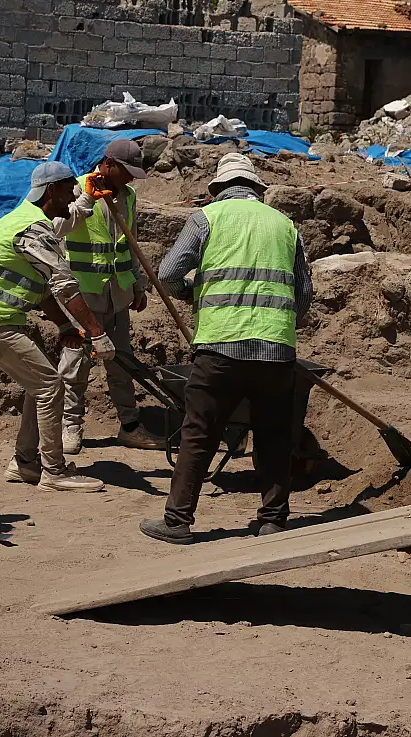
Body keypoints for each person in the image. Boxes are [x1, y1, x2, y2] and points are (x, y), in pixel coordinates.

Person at [140, 153, 314, 545]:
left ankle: (178, 521)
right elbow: (304, 293)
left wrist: (191, 292)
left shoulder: (206, 218)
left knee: (199, 432)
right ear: (258, 190)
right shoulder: (286, 226)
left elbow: (166, 274)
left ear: (217, 189)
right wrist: (282, 320)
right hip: (275, 351)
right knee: (273, 435)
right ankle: (272, 519)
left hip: (220, 346)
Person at [0, 161, 116, 492]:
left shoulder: (27, 221)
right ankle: (53, 472)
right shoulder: (33, 229)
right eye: (70, 188)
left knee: (39, 383)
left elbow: (40, 286)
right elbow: (63, 285)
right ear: (52, 190)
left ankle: (26, 463)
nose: (75, 194)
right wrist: (97, 333)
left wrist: (65, 326)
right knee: (50, 386)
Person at [54, 138, 165, 455]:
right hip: (83, 295)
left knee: (121, 363)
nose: (130, 179)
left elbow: (129, 243)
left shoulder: (128, 196)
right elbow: (58, 228)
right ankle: (70, 427)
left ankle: (130, 427)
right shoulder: (76, 189)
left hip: (117, 294)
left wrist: (138, 284)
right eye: (126, 172)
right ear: (109, 165)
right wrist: (87, 199)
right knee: (76, 364)